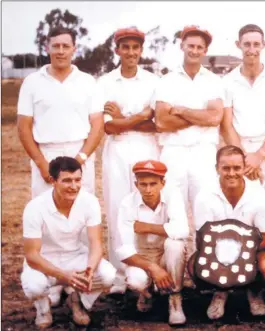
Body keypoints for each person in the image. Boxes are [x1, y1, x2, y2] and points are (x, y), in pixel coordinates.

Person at [97, 27, 161, 293]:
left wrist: (124, 119)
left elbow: (157, 124)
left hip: (147, 149)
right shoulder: (105, 82)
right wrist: (139, 116)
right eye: (126, 47)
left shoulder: (153, 81)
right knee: (117, 208)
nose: (131, 53)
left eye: (136, 48)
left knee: (148, 207)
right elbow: (108, 127)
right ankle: (121, 276)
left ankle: (152, 271)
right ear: (118, 50)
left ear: (141, 50)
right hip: (117, 150)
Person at [21, 157, 116, 328]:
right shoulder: (35, 207)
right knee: (35, 286)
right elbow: (32, 255)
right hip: (45, 261)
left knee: (108, 275)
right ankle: (43, 307)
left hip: (75, 256)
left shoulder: (89, 201)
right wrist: (64, 276)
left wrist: (89, 271)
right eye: (67, 180)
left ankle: (77, 300)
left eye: (77, 180)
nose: (74, 186)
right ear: (53, 181)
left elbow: (96, 244)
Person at [190, 145, 265, 320]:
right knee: (194, 266)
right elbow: (202, 240)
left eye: (237, 168)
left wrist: (239, 251)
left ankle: (254, 291)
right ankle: (220, 292)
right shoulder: (205, 195)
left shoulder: (258, 194)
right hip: (216, 253)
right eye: (226, 168)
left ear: (244, 167)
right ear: (217, 169)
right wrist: (225, 252)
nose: (231, 173)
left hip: (250, 252)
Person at [17, 27, 103, 198]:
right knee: (46, 212)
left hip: (79, 152)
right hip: (46, 154)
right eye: (56, 46)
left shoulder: (88, 82)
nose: (61, 51)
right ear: (47, 48)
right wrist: (42, 164)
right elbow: (23, 128)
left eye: (66, 46)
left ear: (74, 49)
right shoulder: (32, 82)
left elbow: (98, 125)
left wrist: (80, 159)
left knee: (81, 213)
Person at [154, 25, 225, 226]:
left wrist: (183, 110)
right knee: (173, 212)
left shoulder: (213, 81)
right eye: (190, 46)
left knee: (205, 210)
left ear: (205, 51)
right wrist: (199, 115)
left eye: (199, 47)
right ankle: (175, 257)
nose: (194, 51)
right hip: (173, 151)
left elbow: (214, 118)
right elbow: (161, 121)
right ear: (182, 46)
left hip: (204, 152)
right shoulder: (166, 80)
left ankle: (201, 256)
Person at [115, 160, 189, 325]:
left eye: (153, 184)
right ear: (136, 184)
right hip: (142, 257)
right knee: (135, 280)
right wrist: (153, 268)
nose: (148, 190)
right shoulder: (127, 203)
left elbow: (183, 230)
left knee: (175, 245)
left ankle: (175, 298)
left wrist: (145, 227)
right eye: (143, 184)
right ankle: (146, 291)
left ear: (163, 183)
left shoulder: (173, 195)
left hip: (165, 254)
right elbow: (124, 250)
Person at [221, 24, 265, 202]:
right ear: (238, 45)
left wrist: (260, 155)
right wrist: (244, 158)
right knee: (243, 204)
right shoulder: (227, 81)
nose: (252, 50)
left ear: (263, 45)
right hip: (239, 148)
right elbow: (226, 125)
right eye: (247, 44)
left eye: (256, 44)